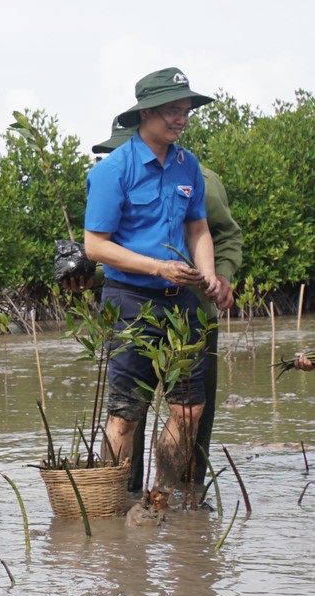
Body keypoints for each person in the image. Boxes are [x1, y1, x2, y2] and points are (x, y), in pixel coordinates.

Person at [83, 68, 229, 491]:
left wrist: (208, 276)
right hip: (130, 299)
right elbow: (95, 246)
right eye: (171, 111)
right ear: (144, 113)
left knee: (188, 411)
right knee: (125, 414)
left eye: (185, 111)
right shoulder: (114, 169)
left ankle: (163, 497)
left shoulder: (189, 166)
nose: (181, 119)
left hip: (182, 301)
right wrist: (159, 267)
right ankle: (111, 505)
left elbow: (198, 229)